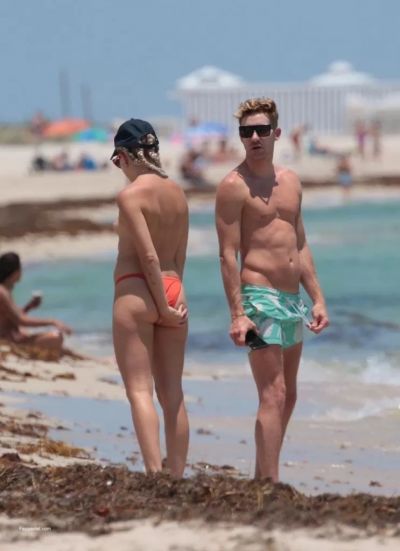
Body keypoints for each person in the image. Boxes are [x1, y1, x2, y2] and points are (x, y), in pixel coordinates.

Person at [215, 98, 329, 483]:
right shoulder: (233, 187)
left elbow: (300, 243)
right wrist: (237, 314)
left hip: (292, 300)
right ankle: (271, 485)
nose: (255, 138)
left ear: (276, 133)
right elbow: (227, 254)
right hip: (258, 297)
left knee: (289, 395)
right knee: (273, 392)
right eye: (247, 132)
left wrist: (317, 298)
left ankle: (261, 478)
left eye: (262, 130)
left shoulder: (291, 181)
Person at [111, 118, 189, 478]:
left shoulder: (131, 195)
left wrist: (160, 306)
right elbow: (179, 255)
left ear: (126, 156)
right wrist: (173, 301)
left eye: (118, 160)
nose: (120, 168)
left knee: (140, 390)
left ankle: (156, 475)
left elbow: (148, 257)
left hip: (138, 289)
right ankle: (178, 476)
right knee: (173, 394)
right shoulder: (177, 193)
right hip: (175, 287)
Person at [0, 252, 72, 357]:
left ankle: (88, 358)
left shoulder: (5, 290)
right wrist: (53, 321)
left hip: (13, 337)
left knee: (57, 342)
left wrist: (29, 307)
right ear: (15, 272)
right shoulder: (2, 292)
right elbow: (20, 320)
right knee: (55, 337)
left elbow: (11, 317)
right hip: (9, 342)